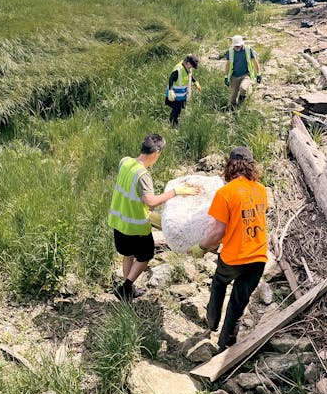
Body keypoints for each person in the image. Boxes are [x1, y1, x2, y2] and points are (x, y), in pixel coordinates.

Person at [188, 146, 269, 352]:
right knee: (238, 303)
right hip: (258, 257)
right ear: (251, 166)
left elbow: (217, 231)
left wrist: (202, 247)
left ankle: (212, 322)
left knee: (219, 284)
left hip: (234, 256)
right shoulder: (261, 190)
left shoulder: (225, 193)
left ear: (230, 165)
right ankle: (226, 347)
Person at [108, 134, 200, 302]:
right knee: (145, 256)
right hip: (135, 226)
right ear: (157, 152)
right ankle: (126, 287)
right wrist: (176, 192)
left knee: (127, 254)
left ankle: (128, 289)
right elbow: (151, 202)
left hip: (119, 221)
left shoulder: (125, 161)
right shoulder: (143, 175)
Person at [223, 36, 261, 109]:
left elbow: (255, 62)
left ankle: (242, 101)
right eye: (235, 46)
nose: (237, 47)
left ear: (241, 44)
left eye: (238, 46)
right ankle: (233, 109)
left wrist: (259, 74)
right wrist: (226, 76)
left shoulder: (248, 50)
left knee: (243, 88)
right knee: (232, 99)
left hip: (246, 75)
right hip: (234, 76)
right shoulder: (230, 51)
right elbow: (227, 65)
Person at [165, 54, 201, 127]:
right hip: (175, 95)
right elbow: (171, 79)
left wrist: (195, 82)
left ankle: (174, 122)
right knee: (176, 110)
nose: (192, 68)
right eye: (192, 66)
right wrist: (171, 90)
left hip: (182, 95)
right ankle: (174, 126)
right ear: (188, 63)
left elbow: (190, 75)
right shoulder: (178, 69)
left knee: (179, 110)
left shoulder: (188, 68)